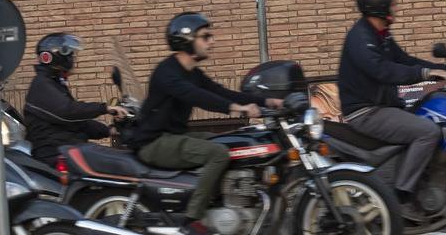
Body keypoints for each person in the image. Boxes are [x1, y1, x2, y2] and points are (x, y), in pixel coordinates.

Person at [124, 13, 283, 234]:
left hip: (174, 136)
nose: (211, 41)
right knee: (218, 153)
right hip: (154, 142)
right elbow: (196, 96)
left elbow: (221, 92)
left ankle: (223, 203)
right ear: (187, 40)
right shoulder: (167, 72)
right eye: (205, 37)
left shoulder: (193, 72)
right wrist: (237, 109)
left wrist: (268, 101)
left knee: (230, 144)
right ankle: (193, 220)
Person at [335, 0, 446, 205]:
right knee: (427, 132)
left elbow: (403, 59)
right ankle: (401, 195)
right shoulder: (361, 38)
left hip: (382, 105)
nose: (396, 8)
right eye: (393, 4)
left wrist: (444, 69)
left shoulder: (381, 34)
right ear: (380, 7)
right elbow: (383, 71)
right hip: (366, 112)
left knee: (428, 114)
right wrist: (425, 75)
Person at [23, 33, 128, 162]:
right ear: (57, 57)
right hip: (54, 152)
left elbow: (76, 122)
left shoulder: (54, 83)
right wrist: (105, 108)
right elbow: (68, 111)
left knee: (115, 160)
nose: (73, 59)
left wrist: (109, 130)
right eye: (70, 54)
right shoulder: (41, 84)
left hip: (67, 147)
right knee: (114, 162)